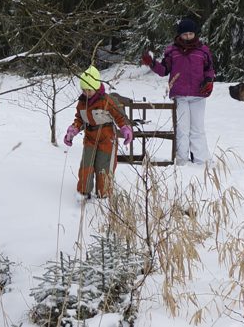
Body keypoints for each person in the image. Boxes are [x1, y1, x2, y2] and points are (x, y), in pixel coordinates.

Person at [141, 16, 216, 164]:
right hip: (180, 95)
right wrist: (152, 63)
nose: (188, 37)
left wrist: (209, 81)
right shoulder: (172, 51)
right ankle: (182, 160)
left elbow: (209, 70)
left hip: (198, 94)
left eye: (191, 34)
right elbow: (164, 70)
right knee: (182, 129)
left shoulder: (203, 50)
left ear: (195, 34)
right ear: (179, 35)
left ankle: (201, 160)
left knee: (197, 129)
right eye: (184, 34)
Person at [63, 65, 133, 199]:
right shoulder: (82, 103)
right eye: (84, 90)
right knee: (86, 166)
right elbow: (79, 119)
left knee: (103, 167)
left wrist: (125, 128)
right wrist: (73, 130)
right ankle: (84, 192)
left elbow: (120, 116)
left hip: (106, 138)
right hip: (90, 138)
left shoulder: (107, 101)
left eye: (89, 90)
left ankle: (104, 194)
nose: (87, 93)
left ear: (96, 87)